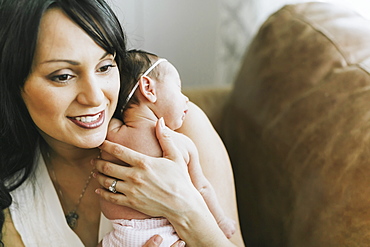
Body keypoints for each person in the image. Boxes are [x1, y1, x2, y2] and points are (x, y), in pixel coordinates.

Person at [0, 0, 245, 246]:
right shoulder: (10, 183)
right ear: (13, 83)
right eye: (63, 76)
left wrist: (184, 207)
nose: (96, 97)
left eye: (105, 67)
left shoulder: (179, 126)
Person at [99, 50, 236, 246]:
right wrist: (221, 221)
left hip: (119, 238)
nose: (186, 98)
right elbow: (203, 188)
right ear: (148, 88)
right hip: (166, 237)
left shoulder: (111, 134)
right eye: (178, 88)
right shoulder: (181, 143)